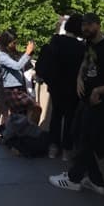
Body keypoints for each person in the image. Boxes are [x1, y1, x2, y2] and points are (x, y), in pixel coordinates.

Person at [49, 12, 104, 196]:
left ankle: (74, 179)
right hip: (86, 103)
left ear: (98, 25)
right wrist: (79, 79)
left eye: (89, 25)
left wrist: (98, 90)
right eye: (84, 25)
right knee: (78, 135)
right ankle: (96, 181)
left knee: (86, 142)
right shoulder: (90, 45)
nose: (85, 28)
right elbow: (86, 62)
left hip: (101, 104)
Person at [35, 13, 85, 160]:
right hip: (71, 88)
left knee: (56, 116)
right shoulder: (80, 48)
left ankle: (53, 146)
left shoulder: (55, 41)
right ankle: (66, 150)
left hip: (56, 86)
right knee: (70, 118)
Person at [0, 31, 41, 124]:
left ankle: (20, 132)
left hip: (18, 88)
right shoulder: (2, 56)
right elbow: (17, 66)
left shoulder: (10, 53)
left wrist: (29, 53)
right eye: (13, 43)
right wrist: (27, 53)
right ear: (6, 43)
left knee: (19, 116)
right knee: (35, 107)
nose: (15, 45)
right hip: (10, 90)